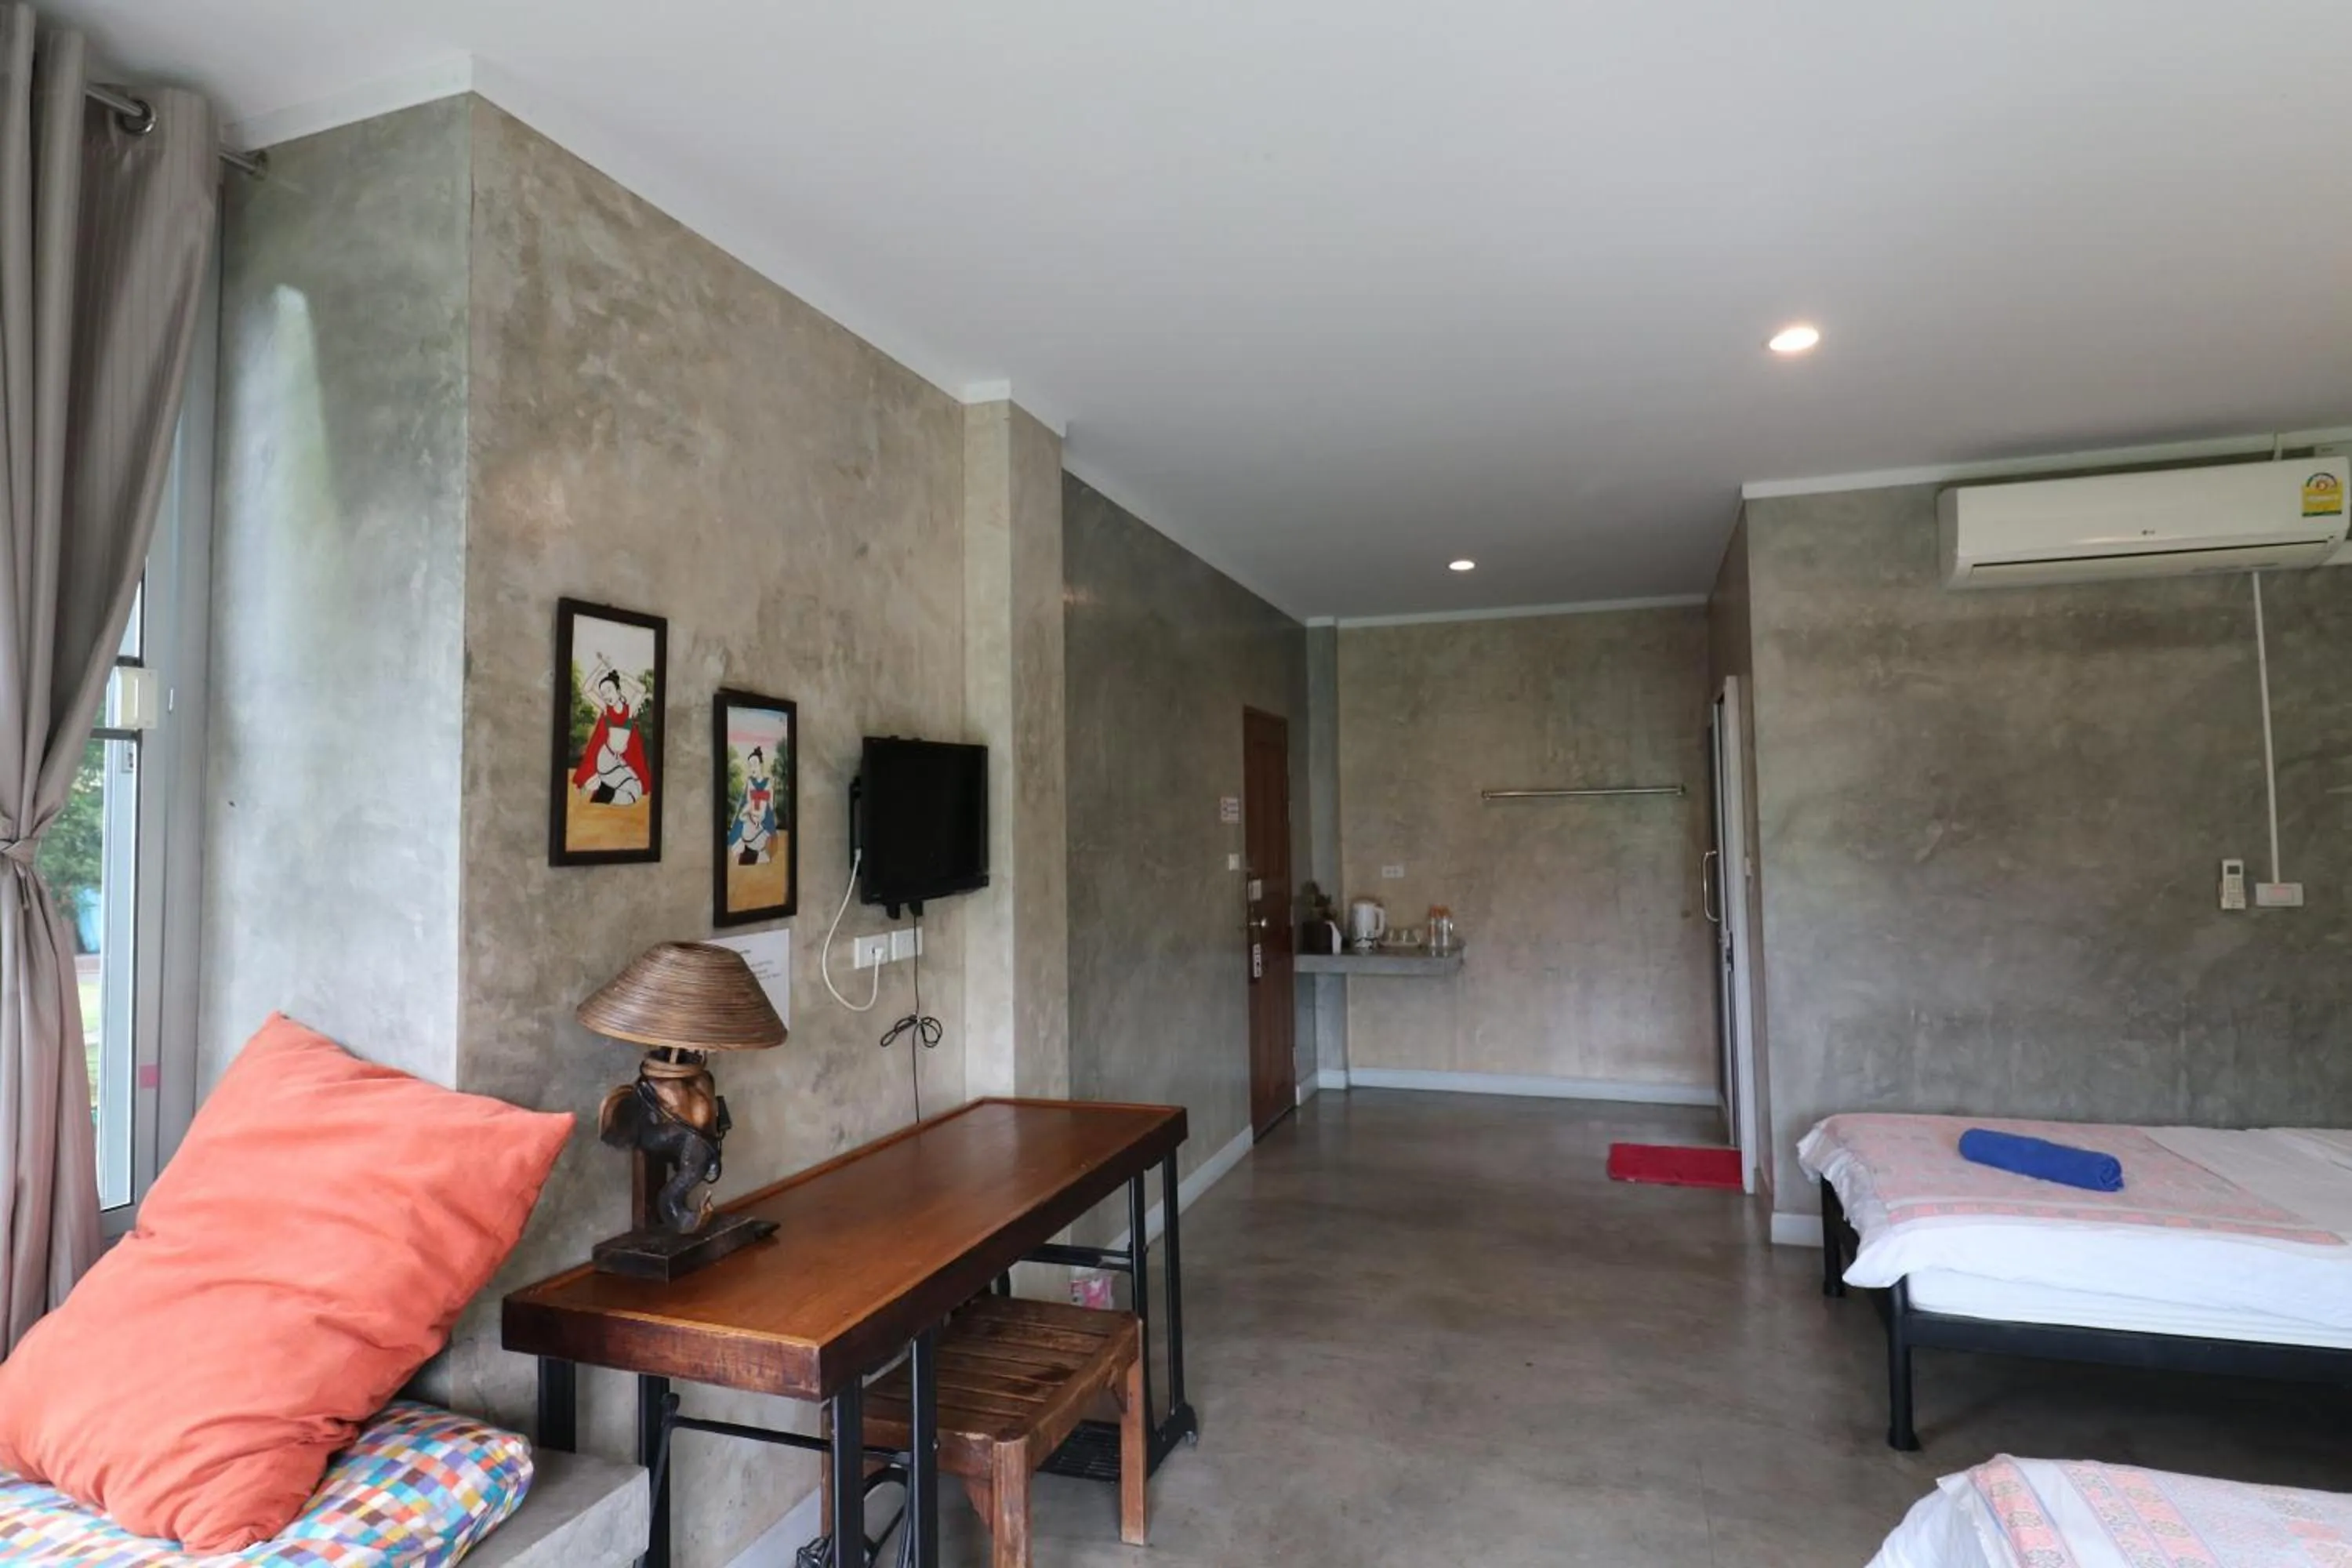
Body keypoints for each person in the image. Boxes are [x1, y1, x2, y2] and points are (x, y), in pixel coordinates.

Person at [572, 669, 651, 805]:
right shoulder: (606, 709)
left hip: (618, 760)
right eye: (603, 693)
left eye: (609, 690)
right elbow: (587, 689)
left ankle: (599, 788)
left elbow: (642, 690)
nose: (605, 696)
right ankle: (599, 790)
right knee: (632, 795)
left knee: (638, 788)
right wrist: (599, 669)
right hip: (606, 760)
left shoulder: (629, 711)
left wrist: (625, 676)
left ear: (619, 691)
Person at [728, 745, 775, 865]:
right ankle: (748, 853)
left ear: (761, 764)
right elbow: (748, 803)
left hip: (764, 820)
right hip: (752, 817)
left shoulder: (768, 783)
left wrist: (763, 819)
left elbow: (770, 805)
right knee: (746, 832)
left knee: (756, 838)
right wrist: (749, 815)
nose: (752, 768)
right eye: (750, 765)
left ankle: (757, 854)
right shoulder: (750, 782)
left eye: (754, 764)